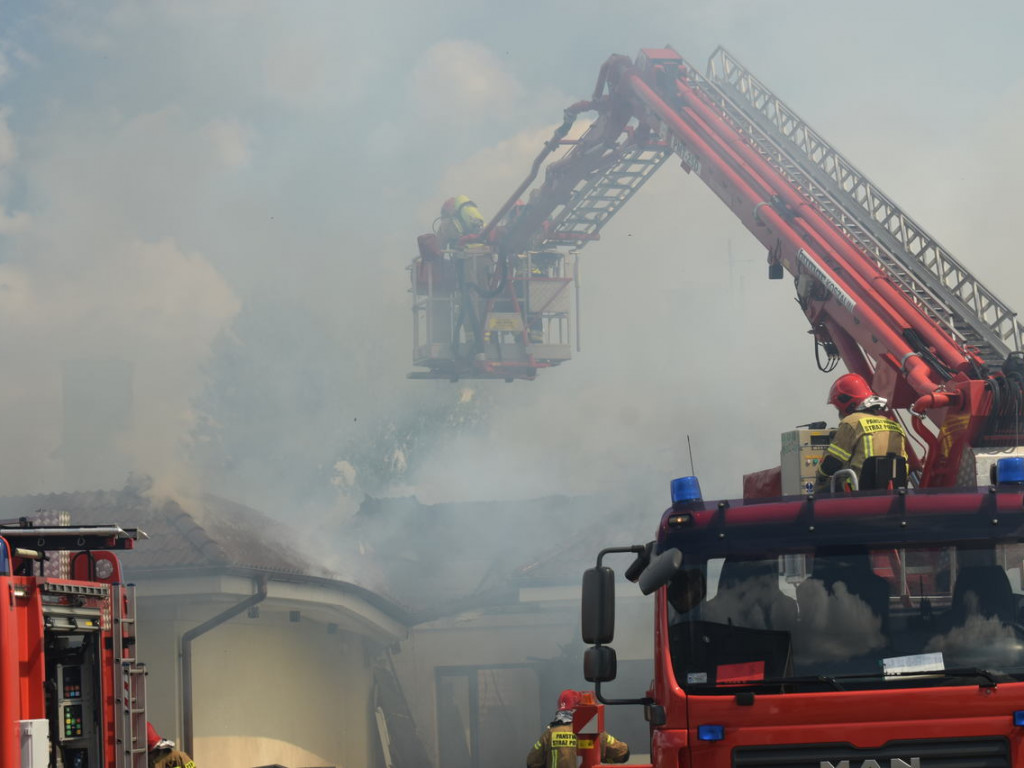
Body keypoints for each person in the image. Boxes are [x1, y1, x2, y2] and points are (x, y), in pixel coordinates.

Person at [814, 373, 908, 493]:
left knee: (817, 498)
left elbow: (833, 462)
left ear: (847, 403)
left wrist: (820, 478)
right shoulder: (894, 426)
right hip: (891, 491)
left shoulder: (851, 422)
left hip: (856, 490)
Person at [526, 689, 629, 768]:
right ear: (579, 707)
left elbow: (532, 762)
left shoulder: (550, 733)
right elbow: (623, 754)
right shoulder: (592, 731)